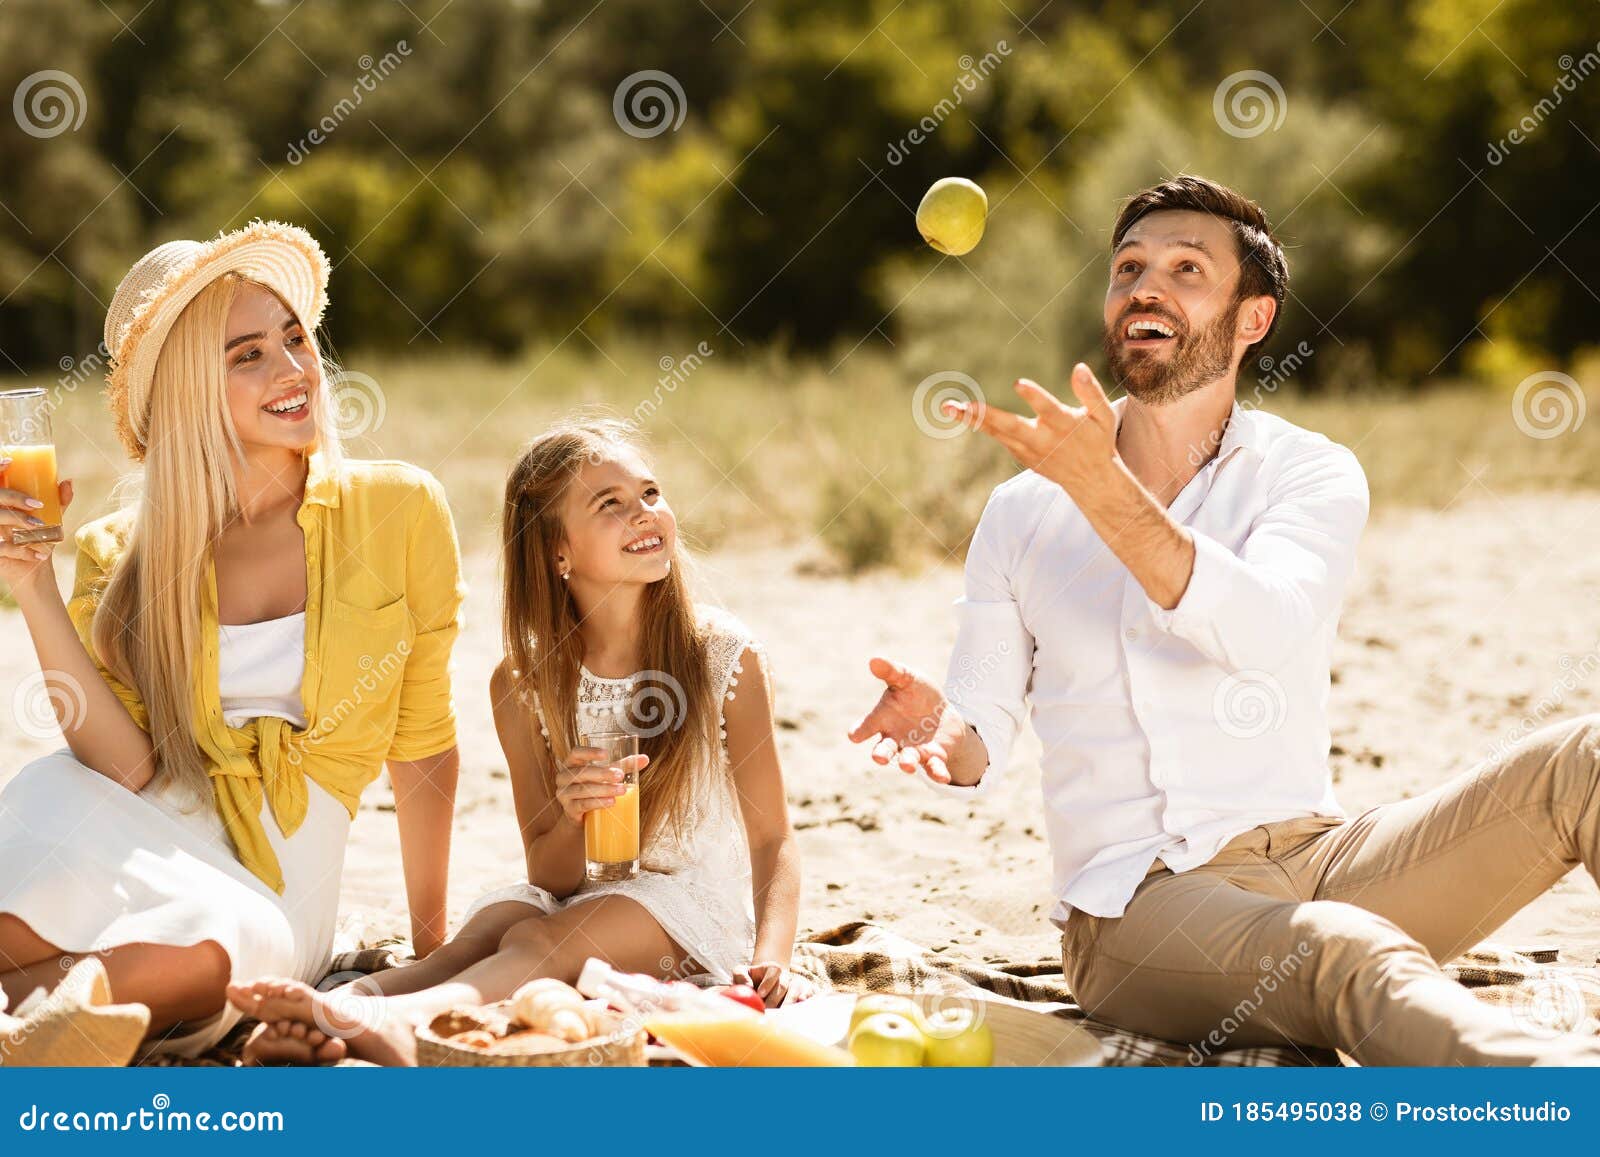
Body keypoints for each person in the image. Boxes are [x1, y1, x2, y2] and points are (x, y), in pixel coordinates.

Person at [849, 174, 1600, 1066]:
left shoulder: (1307, 472)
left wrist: (1105, 491)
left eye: (1186, 268)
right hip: (1139, 908)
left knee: (1582, 762)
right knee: (1341, 947)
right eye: (1128, 268)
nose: (1146, 288)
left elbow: (1262, 628)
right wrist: (947, 725)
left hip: (1323, 856)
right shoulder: (1022, 512)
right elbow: (980, 729)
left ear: (1254, 320)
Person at [0, 221, 465, 1060]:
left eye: (294, 338)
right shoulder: (119, 552)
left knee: (218, 943)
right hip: (140, 823)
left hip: (276, 886)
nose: (294, 371)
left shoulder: (399, 511)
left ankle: (40, 1021)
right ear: (185, 390)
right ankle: (39, 1027)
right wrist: (32, 584)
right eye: (247, 354)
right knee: (41, 814)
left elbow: (424, 749)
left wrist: (431, 952)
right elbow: (127, 769)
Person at [230, 415, 802, 1065]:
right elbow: (551, 872)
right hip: (581, 894)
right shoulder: (524, 682)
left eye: (649, 493)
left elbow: (771, 838)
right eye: (609, 504)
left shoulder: (722, 657)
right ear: (559, 552)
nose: (645, 513)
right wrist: (575, 816)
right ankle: (349, 1000)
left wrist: (772, 956)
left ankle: (386, 1024)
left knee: (538, 939)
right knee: (485, 934)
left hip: (689, 911)